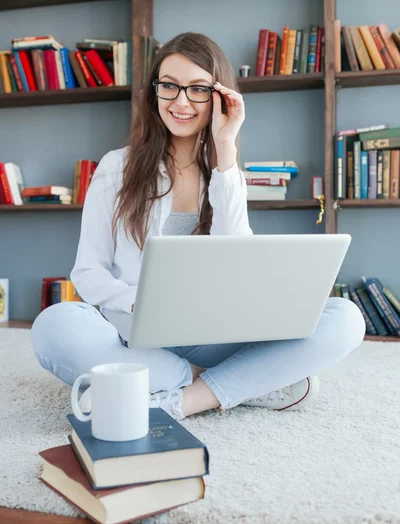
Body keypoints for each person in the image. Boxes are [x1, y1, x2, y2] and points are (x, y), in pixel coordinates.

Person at [31, 32, 365, 421]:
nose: (181, 101)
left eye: (198, 89)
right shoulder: (116, 167)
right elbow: (88, 272)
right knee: (55, 327)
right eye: (169, 86)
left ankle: (183, 400)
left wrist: (227, 149)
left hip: (216, 335)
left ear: (220, 97)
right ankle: (238, 384)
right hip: (136, 338)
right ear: (155, 92)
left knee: (344, 318)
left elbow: (238, 258)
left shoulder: (226, 172)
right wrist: (137, 302)